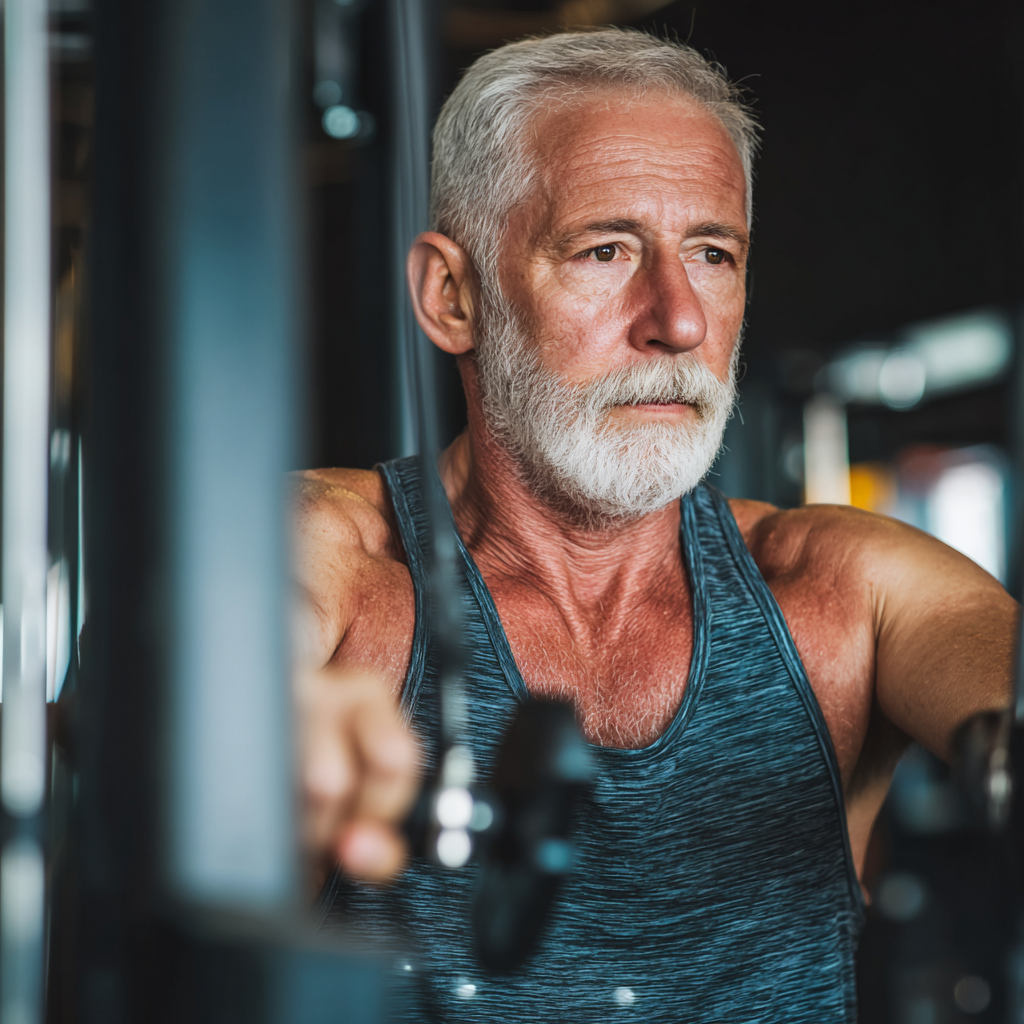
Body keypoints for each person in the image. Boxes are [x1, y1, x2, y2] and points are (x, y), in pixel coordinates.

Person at [293, 28, 1016, 1021]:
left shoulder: (840, 591)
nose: (676, 320)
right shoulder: (343, 563)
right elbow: (197, 650)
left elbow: (989, 662)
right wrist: (242, 710)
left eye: (712, 254)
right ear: (451, 295)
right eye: (606, 249)